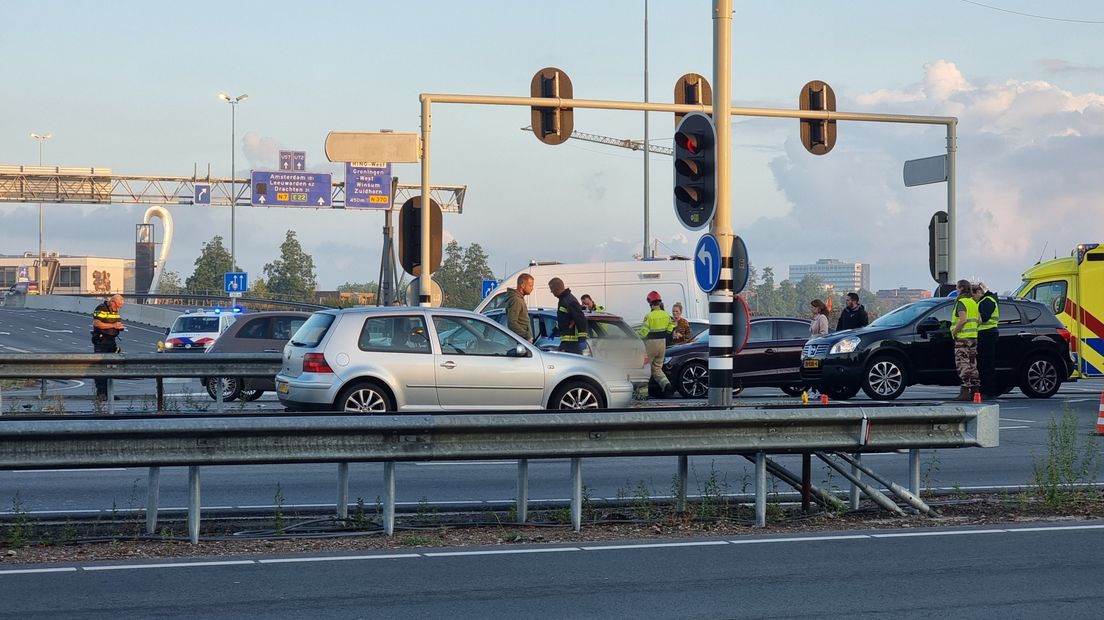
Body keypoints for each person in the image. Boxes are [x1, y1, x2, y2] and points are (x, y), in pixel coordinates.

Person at [638, 291, 675, 396]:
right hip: (662, 343)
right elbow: (671, 327)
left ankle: (642, 394)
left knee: (645, 368)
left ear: (650, 303)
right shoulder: (666, 315)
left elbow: (644, 332)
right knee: (657, 368)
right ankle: (667, 386)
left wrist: (636, 337)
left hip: (651, 343)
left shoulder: (649, 316)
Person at [91, 294, 125, 399]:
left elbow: (115, 322)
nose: (118, 308)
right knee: (101, 368)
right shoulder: (101, 308)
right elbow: (96, 323)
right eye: (118, 305)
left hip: (111, 341)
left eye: (120, 307)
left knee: (110, 368)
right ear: (112, 302)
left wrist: (119, 327)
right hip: (102, 341)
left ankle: (109, 393)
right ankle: (101, 393)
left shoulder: (114, 310)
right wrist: (113, 326)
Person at [951, 279, 980, 401]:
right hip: (973, 337)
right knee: (972, 364)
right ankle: (975, 391)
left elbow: (963, 320)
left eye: (957, 288)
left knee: (963, 364)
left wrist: (954, 331)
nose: (956, 290)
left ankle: (964, 391)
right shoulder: (973, 302)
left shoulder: (961, 302)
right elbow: (979, 320)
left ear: (961, 288)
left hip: (962, 338)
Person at [548, 277, 588, 354]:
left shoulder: (569, 300)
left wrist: (582, 339)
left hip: (572, 344)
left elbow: (581, 320)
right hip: (567, 343)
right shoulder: (563, 299)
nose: (551, 291)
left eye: (551, 289)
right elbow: (564, 319)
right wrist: (555, 331)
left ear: (556, 288)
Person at [974, 282, 999, 399]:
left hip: (986, 334)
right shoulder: (988, 300)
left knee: (986, 364)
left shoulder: (986, 301)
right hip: (988, 333)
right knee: (985, 364)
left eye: (975, 293)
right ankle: (988, 390)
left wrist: (972, 318)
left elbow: (984, 317)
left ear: (979, 291)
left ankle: (989, 391)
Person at [505, 273, 534, 343]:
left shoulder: (519, 299)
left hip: (520, 340)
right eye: (530, 286)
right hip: (519, 342)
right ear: (523, 285)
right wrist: (527, 335)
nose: (532, 288)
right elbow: (512, 323)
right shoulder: (516, 300)